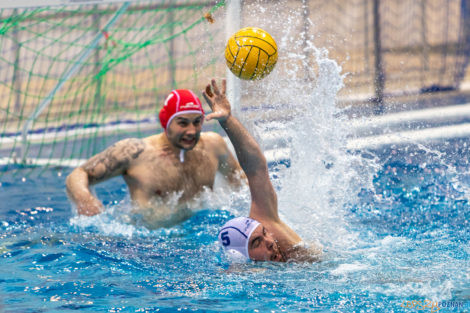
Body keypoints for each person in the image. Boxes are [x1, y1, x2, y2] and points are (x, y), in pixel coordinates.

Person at [66, 88, 244, 228]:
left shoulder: (213, 145)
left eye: (197, 122)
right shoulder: (135, 152)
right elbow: (78, 174)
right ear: (166, 122)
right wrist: (85, 199)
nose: (191, 130)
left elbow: (242, 185)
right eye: (182, 123)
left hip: (199, 237)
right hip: (148, 244)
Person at [203, 79, 322, 262]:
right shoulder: (243, 277)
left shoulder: (266, 221)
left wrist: (228, 120)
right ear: (241, 257)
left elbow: (256, 167)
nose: (269, 241)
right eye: (256, 242)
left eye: (264, 233)